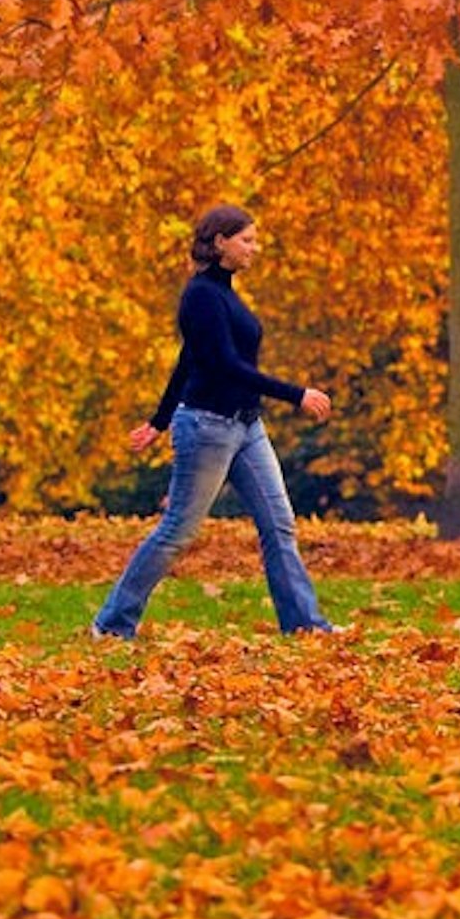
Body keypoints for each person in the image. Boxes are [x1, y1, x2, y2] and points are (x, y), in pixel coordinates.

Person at [91, 204, 343, 640]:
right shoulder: (201, 295)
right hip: (208, 427)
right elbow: (222, 365)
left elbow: (188, 358)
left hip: (246, 427)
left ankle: (305, 626)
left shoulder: (224, 293)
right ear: (220, 242)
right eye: (247, 240)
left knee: (279, 524)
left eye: (255, 240)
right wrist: (296, 394)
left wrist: (157, 421)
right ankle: (112, 624)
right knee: (177, 532)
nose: (255, 248)